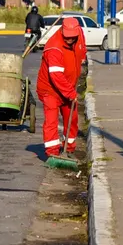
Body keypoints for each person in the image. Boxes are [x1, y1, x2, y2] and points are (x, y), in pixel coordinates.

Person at [37, 17, 86, 158]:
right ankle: (52, 153)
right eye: (67, 37)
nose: (70, 40)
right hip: (50, 90)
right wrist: (70, 93)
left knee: (72, 119)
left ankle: (69, 148)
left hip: (68, 87)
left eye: (73, 37)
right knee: (51, 121)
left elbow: (82, 49)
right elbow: (56, 76)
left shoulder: (79, 36)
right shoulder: (54, 48)